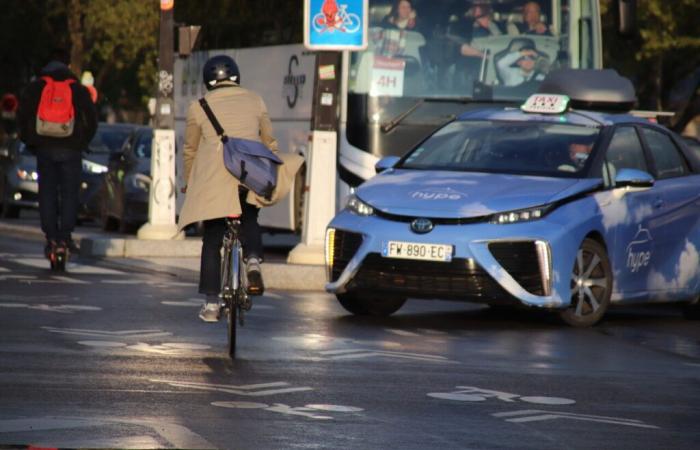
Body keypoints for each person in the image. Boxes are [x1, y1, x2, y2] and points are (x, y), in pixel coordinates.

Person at [177, 55, 277, 323]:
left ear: (208, 81)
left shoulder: (198, 106)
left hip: (214, 179)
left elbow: (190, 150)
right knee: (249, 216)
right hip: (249, 173)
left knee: (212, 239)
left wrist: (190, 181)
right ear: (237, 77)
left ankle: (211, 304)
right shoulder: (256, 100)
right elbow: (269, 140)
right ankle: (253, 260)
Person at [17, 48, 97, 255]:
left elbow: (22, 117)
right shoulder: (77, 89)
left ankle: (51, 237)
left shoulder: (36, 87)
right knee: (70, 194)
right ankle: (65, 237)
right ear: (68, 65)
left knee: (48, 193)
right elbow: (92, 119)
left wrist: (31, 142)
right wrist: (81, 141)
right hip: (71, 149)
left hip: (44, 148)